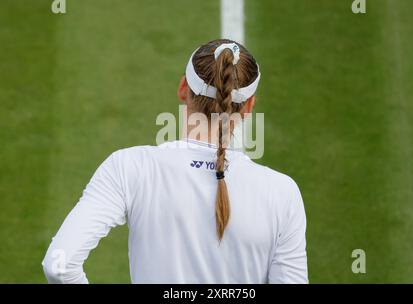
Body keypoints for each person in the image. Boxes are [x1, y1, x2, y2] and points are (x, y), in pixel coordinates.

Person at [42, 39, 308, 284]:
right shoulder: (283, 193)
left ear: (183, 89)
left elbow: (59, 266)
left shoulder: (128, 167)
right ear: (249, 107)